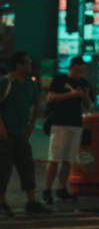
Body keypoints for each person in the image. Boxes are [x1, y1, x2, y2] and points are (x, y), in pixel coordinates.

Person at [0, 52, 50, 216]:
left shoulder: (29, 83)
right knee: (4, 169)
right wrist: (1, 128)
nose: (30, 64)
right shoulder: (6, 82)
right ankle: (2, 202)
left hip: (20, 134)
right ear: (18, 66)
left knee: (27, 166)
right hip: (5, 134)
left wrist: (32, 123)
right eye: (27, 62)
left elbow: (37, 102)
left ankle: (31, 201)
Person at [43, 56, 91, 204]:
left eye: (81, 71)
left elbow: (88, 105)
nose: (79, 74)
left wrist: (85, 96)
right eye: (76, 71)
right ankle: (47, 190)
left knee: (68, 159)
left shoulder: (83, 83)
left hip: (76, 123)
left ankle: (62, 188)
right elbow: (50, 98)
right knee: (54, 158)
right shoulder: (59, 80)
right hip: (60, 123)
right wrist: (70, 94)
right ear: (70, 68)